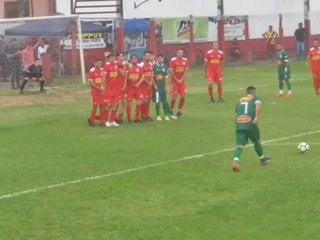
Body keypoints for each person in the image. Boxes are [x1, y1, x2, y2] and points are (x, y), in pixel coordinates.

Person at [232, 86, 271, 172]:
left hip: (239, 123)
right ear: (254, 92)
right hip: (250, 123)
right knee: (256, 141)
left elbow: (236, 113)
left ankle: (235, 161)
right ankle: (262, 159)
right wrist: (256, 116)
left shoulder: (239, 100)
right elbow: (258, 104)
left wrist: (238, 124)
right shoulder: (256, 98)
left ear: (247, 92)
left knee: (240, 145)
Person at [153, 54, 176, 121]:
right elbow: (152, 77)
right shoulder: (154, 66)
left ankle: (166, 115)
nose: (161, 60)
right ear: (157, 59)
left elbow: (166, 77)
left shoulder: (165, 66)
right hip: (157, 88)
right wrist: (154, 85)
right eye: (159, 58)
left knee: (164, 102)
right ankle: (158, 115)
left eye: (162, 59)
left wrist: (166, 86)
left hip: (163, 88)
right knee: (157, 102)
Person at [124, 54, 144, 123]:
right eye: (133, 59)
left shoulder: (139, 67)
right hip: (130, 88)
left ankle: (136, 118)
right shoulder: (128, 67)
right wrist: (129, 79)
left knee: (139, 102)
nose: (135, 60)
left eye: (136, 59)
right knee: (129, 103)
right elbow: (125, 78)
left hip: (138, 88)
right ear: (131, 59)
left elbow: (143, 76)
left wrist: (139, 83)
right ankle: (129, 118)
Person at [169, 48, 188, 117]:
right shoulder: (172, 60)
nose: (180, 54)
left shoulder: (185, 60)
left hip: (182, 81)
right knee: (174, 96)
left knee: (183, 96)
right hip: (174, 81)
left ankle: (179, 111)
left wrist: (181, 79)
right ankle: (171, 110)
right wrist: (177, 80)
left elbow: (186, 71)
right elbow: (171, 71)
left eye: (181, 53)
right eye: (179, 53)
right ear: (176, 53)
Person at [103, 53, 120, 127]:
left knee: (115, 105)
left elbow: (124, 65)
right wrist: (103, 86)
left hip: (116, 88)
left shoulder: (116, 65)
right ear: (108, 59)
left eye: (114, 58)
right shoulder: (106, 66)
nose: (113, 60)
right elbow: (104, 77)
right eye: (111, 58)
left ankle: (112, 120)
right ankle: (106, 121)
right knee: (107, 105)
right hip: (109, 89)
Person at [87, 58, 105, 126]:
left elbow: (104, 80)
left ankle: (101, 122)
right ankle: (92, 121)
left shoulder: (102, 70)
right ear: (95, 63)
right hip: (95, 92)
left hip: (101, 91)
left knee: (102, 106)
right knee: (95, 106)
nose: (99, 64)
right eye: (98, 63)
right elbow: (91, 83)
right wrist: (99, 89)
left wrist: (103, 88)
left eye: (100, 63)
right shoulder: (92, 71)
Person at [139, 51, 154, 121]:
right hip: (143, 86)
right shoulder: (141, 65)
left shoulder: (151, 64)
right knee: (144, 101)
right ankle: (143, 115)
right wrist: (148, 83)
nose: (148, 57)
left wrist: (151, 83)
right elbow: (142, 76)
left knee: (148, 101)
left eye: (149, 56)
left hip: (149, 86)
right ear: (143, 56)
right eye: (146, 56)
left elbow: (151, 75)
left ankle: (147, 115)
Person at [116, 52, 128, 124]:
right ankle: (113, 117)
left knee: (123, 102)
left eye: (122, 56)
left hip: (123, 86)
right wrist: (125, 66)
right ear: (117, 57)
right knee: (116, 103)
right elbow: (122, 73)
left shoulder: (124, 64)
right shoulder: (116, 64)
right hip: (117, 86)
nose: (122, 57)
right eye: (120, 56)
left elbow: (125, 76)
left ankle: (120, 118)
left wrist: (124, 85)